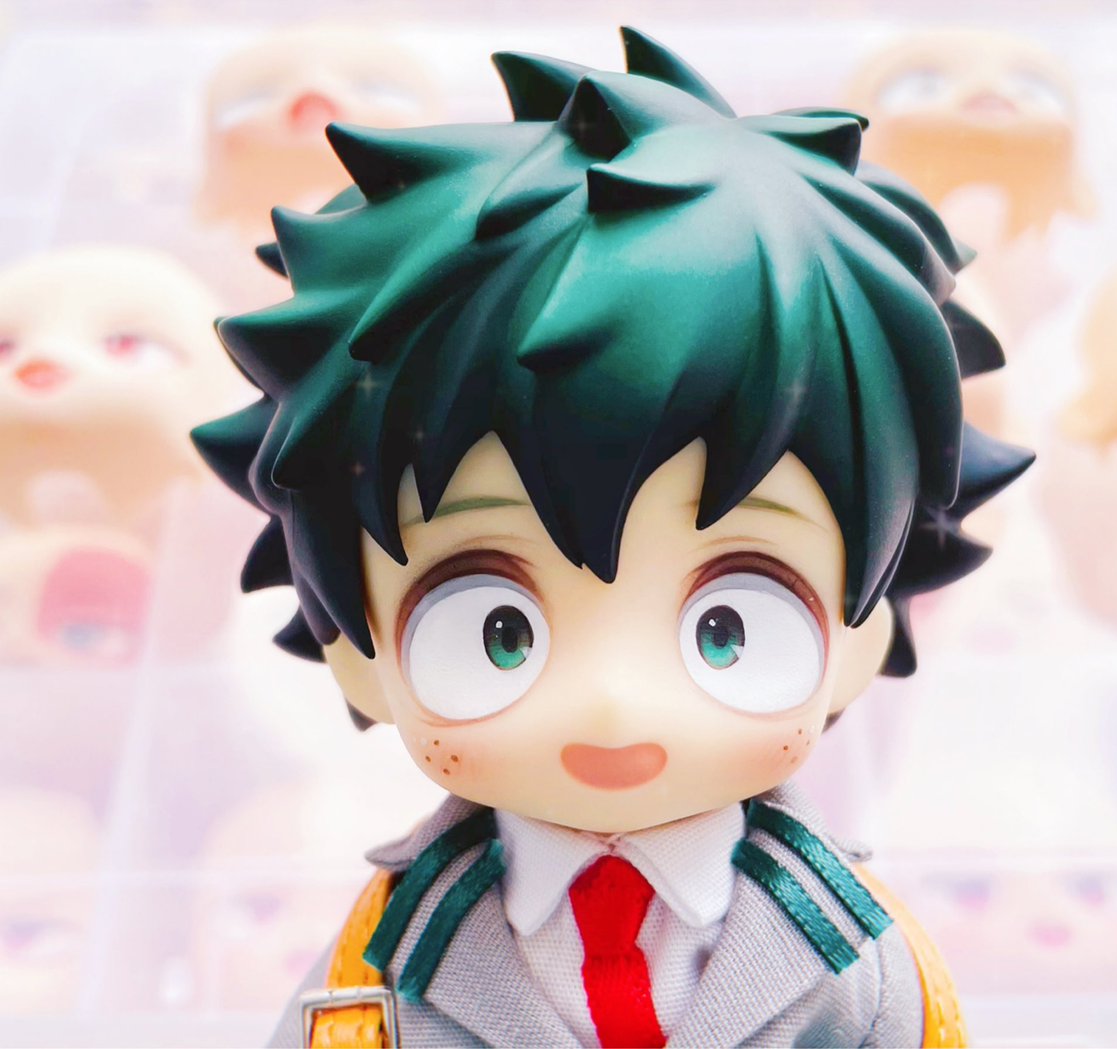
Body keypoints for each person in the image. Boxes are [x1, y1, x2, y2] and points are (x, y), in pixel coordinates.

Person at [194, 27, 1032, 1048]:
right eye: (500, 631)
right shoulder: (383, 954)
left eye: (727, 626)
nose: (613, 699)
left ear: (861, 633)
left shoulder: (855, 954)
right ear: (355, 649)